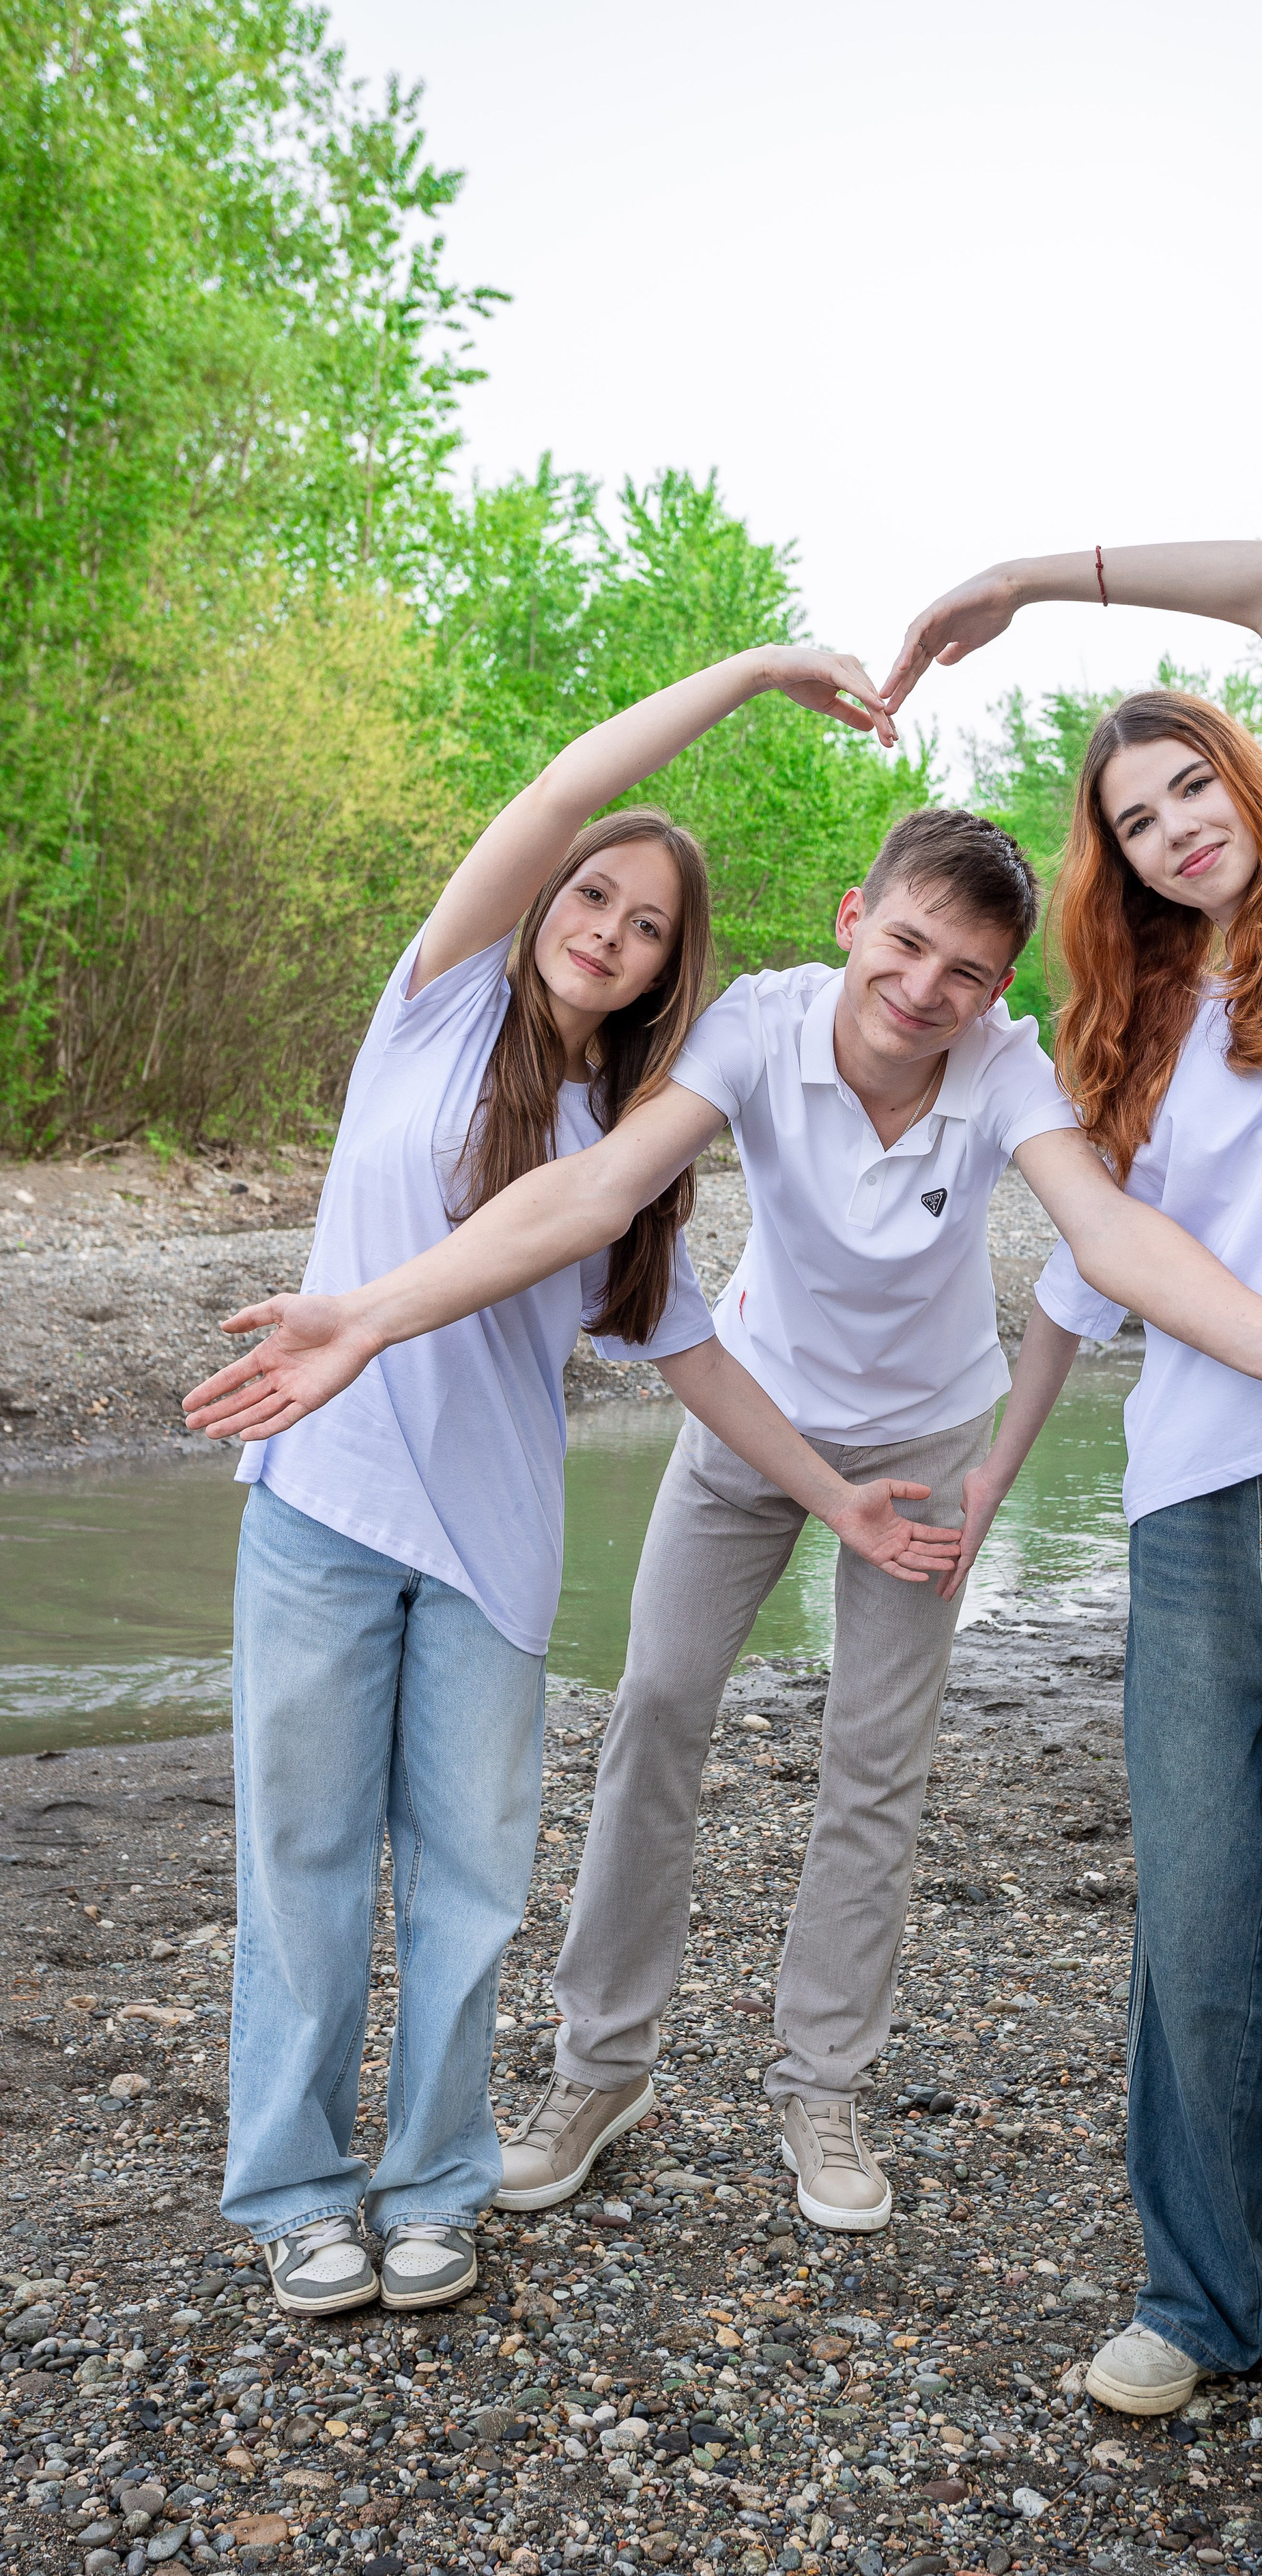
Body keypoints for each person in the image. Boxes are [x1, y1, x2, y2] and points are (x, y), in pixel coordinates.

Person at [186, 767, 1262, 2251]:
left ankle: (823, 2088)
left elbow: (1106, 1235)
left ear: (999, 994)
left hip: (926, 1435)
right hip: (754, 1420)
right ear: (855, 919)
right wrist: (366, 1315)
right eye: (905, 946)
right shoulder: (758, 1025)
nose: (924, 990)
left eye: (969, 975)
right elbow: (598, 1196)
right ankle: (597, 2074)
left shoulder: (1002, 1070)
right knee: (654, 1708)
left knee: (875, 1763)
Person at [207, 642, 967, 2321]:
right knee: (306, 1864)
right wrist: (764, 671)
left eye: (645, 931)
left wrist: (840, 1500)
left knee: (471, 1887)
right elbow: (562, 783)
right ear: (550, 891)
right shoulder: (435, 1003)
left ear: (661, 976)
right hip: (323, 1509)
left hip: (494, 1550)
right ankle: (296, 2193)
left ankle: (431, 2186)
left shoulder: (627, 1143)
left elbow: (698, 1358)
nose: (607, 933)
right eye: (596, 896)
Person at [878, 539, 1262, 2469]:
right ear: (1121, 868)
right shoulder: (1129, 1033)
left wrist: (1029, 581)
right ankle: (1192, 2292)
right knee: (1202, 1922)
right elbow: (1089, 1286)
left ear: (1251, 779)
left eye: (1191, 789)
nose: (1174, 832)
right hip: (1190, 1506)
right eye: (1136, 825)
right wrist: (989, 1478)